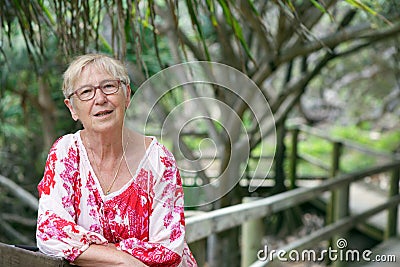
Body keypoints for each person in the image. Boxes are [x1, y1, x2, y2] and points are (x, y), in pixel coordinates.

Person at [36, 53, 197, 267]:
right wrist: (124, 261)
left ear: (127, 95)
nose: (100, 99)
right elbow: (50, 233)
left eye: (109, 87)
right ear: (72, 108)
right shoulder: (66, 153)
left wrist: (92, 250)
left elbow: (167, 252)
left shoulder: (159, 161)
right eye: (86, 92)